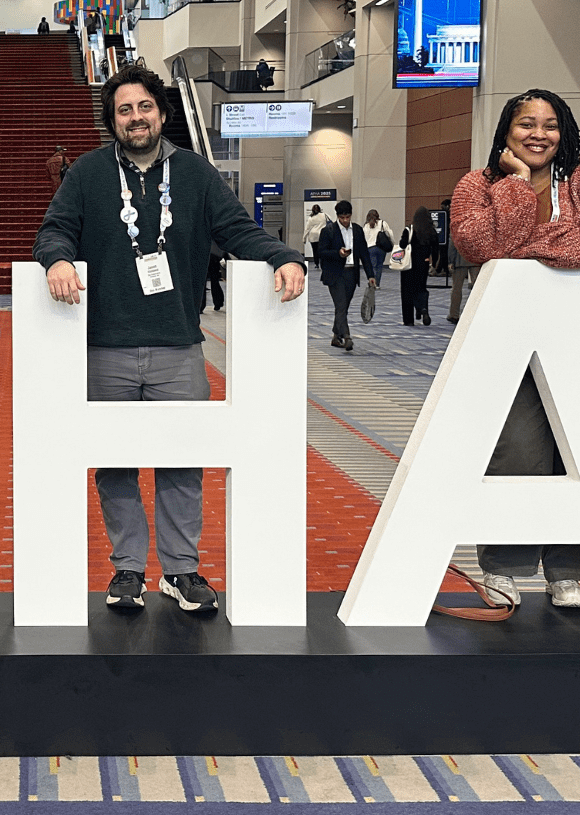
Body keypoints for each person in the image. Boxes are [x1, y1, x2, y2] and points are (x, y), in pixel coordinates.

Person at [34, 64, 306, 614]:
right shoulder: (86, 174)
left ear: (162, 112)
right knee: (115, 464)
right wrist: (58, 258)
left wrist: (282, 254)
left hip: (178, 346)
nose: (136, 118)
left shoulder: (196, 174)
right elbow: (54, 228)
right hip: (105, 348)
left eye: (145, 108)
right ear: (112, 121)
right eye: (124, 110)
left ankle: (180, 572)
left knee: (183, 461)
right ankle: (129, 569)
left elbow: (237, 230)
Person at [452, 88, 580, 611]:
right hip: (507, 341)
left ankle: (568, 571)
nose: (538, 134)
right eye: (525, 124)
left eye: (550, 124)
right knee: (518, 453)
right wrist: (517, 187)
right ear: (505, 132)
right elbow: (480, 246)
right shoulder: (478, 185)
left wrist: (526, 246)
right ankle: (504, 568)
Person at [317, 200, 377, 351]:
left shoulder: (357, 230)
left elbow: (364, 254)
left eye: (347, 217)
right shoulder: (328, 230)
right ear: (337, 216)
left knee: (343, 306)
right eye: (342, 218)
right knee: (341, 305)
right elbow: (321, 252)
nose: (345, 220)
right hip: (334, 274)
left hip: (351, 273)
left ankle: (336, 336)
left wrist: (371, 275)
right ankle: (347, 336)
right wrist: (338, 253)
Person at [400, 207, 437, 325]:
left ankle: (408, 320)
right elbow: (436, 249)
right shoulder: (431, 230)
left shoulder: (409, 229)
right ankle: (423, 309)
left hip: (408, 265)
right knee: (421, 288)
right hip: (423, 264)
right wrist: (434, 264)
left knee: (407, 291)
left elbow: (402, 244)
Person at [447, 230, 478, 323]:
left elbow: (452, 244)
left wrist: (451, 261)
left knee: (457, 288)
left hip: (460, 260)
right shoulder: (479, 225)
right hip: (476, 260)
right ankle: (476, 312)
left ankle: (454, 314)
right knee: (478, 288)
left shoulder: (458, 227)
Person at [362, 209, 391, 277]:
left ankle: (372, 282)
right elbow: (389, 234)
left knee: (372, 266)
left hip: (370, 248)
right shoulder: (383, 223)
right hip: (381, 248)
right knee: (379, 266)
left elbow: (363, 238)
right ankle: (377, 284)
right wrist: (392, 243)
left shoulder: (366, 226)